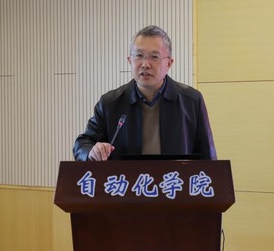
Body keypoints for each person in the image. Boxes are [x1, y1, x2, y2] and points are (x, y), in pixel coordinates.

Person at [73, 25, 217, 161]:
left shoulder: (191, 101)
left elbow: (208, 159)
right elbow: (82, 144)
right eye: (139, 55)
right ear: (129, 61)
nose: (145, 64)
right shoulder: (110, 103)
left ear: (169, 63)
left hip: (174, 179)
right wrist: (92, 151)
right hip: (127, 179)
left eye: (154, 57)